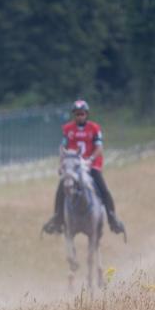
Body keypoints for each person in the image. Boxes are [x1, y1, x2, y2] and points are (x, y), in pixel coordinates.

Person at [43, 99, 126, 235]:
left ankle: (112, 219)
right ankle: (57, 220)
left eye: (82, 114)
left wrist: (90, 159)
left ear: (86, 114)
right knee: (61, 190)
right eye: (77, 114)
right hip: (73, 166)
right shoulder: (68, 129)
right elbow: (63, 147)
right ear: (74, 115)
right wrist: (61, 164)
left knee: (104, 190)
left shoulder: (94, 128)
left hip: (91, 164)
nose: (79, 116)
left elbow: (99, 147)